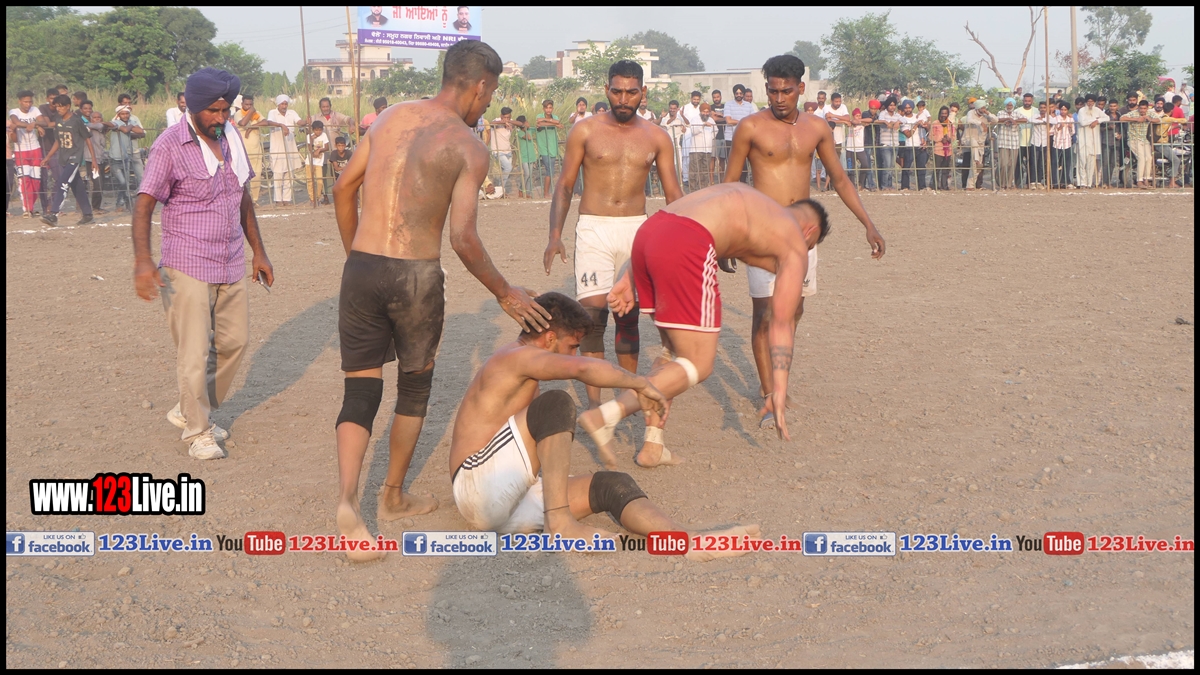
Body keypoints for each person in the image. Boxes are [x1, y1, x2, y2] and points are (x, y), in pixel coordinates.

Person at [330, 40, 551, 560]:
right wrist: (505, 292)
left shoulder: (390, 118)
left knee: (359, 391)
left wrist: (356, 257)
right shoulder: (468, 147)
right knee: (413, 387)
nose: (487, 104)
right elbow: (463, 238)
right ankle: (392, 496)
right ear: (480, 86)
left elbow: (342, 190)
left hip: (361, 267)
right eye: (489, 95)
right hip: (415, 276)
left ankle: (347, 502)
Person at [450, 290, 759, 554]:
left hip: (510, 500)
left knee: (612, 485)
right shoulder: (513, 357)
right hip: (477, 486)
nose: (574, 354)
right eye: (572, 346)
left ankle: (686, 542)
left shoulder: (525, 362)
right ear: (549, 338)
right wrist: (641, 384)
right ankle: (560, 525)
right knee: (556, 404)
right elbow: (583, 369)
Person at [581, 183, 829, 466]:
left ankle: (653, 445)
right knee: (698, 363)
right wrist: (778, 391)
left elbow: (673, 221)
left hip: (650, 234)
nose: (805, 252)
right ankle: (606, 415)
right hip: (688, 241)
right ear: (810, 232)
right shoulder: (795, 241)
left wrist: (630, 276)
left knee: (672, 350)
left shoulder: (755, 205)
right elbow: (781, 323)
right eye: (810, 246)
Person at [721, 55, 885, 433]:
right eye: (773, 91)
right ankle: (769, 395)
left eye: (787, 91)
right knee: (765, 315)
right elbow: (729, 184)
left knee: (794, 311)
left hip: (803, 236)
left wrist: (868, 224)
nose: (779, 98)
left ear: (801, 88)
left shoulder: (817, 127)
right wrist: (726, 240)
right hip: (762, 235)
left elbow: (839, 178)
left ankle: (778, 382)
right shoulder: (750, 127)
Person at [132, 67, 273, 461]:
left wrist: (259, 251)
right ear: (193, 107)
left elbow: (243, 197)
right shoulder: (169, 146)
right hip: (186, 263)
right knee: (193, 353)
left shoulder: (231, 138)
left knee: (234, 343)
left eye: (226, 110)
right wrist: (143, 260)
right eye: (213, 111)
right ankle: (198, 432)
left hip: (229, 260)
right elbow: (144, 204)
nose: (221, 117)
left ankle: (189, 409)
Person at [543, 59, 683, 424]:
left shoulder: (656, 137)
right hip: (594, 228)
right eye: (617, 91)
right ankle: (595, 406)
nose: (623, 99)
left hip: (637, 230)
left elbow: (674, 195)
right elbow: (565, 185)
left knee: (628, 317)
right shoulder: (585, 131)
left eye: (631, 92)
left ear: (643, 92)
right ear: (607, 90)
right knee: (591, 319)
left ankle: (625, 398)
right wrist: (555, 235)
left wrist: (688, 240)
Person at [40, 94, 97, 226]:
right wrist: (48, 157)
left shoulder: (76, 121)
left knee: (63, 182)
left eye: (61, 107)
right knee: (77, 186)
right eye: (57, 107)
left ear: (68, 106)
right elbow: (58, 141)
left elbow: (87, 139)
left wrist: (93, 159)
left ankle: (54, 214)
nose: (58, 109)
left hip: (74, 157)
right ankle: (88, 214)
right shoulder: (58, 120)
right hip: (64, 157)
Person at [9, 90, 45, 218]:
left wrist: (35, 123)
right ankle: (26, 209)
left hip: (35, 149)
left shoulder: (35, 110)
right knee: (24, 179)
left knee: (36, 180)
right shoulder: (14, 112)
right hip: (21, 150)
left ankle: (32, 207)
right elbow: (16, 122)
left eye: (30, 101)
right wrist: (33, 125)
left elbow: (44, 122)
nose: (28, 104)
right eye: (25, 102)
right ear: (20, 101)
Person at [107, 105, 145, 211]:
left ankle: (122, 203)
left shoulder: (131, 122)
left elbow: (141, 131)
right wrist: (130, 127)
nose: (125, 115)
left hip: (125, 156)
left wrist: (130, 126)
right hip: (115, 158)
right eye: (122, 114)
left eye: (127, 113)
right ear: (118, 114)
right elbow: (123, 129)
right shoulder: (116, 122)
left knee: (125, 182)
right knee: (123, 182)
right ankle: (125, 201)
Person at [266, 94, 302, 205]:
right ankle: (278, 199)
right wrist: (281, 125)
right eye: (282, 104)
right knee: (278, 174)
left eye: (286, 104)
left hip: (290, 147)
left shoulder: (292, 113)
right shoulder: (273, 113)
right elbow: (269, 122)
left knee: (289, 174)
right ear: (278, 104)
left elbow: (299, 121)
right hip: (277, 147)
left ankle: (287, 199)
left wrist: (306, 121)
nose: (284, 106)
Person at [234, 95, 267, 203]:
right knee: (242, 176)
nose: (248, 106)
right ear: (242, 104)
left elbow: (265, 122)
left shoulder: (256, 114)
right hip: (243, 150)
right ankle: (241, 200)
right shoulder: (238, 114)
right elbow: (243, 123)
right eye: (246, 104)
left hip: (256, 149)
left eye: (251, 105)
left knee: (257, 175)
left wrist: (251, 127)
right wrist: (250, 112)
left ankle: (255, 200)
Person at [722, 85, 757, 183]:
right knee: (732, 164)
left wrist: (740, 123)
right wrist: (743, 122)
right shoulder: (728, 104)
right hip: (730, 137)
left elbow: (753, 119)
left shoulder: (748, 105)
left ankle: (743, 184)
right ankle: (732, 186)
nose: (739, 95)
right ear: (734, 94)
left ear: (743, 94)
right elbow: (728, 120)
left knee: (744, 165)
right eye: (737, 93)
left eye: (741, 93)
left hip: (745, 138)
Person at [80, 102, 108, 213]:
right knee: (97, 183)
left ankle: (97, 206)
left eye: (99, 117)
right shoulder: (88, 128)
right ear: (91, 119)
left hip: (101, 159)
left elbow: (103, 125)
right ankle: (95, 207)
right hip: (91, 160)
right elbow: (95, 125)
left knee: (101, 183)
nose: (97, 119)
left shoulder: (101, 128)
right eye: (94, 117)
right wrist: (91, 125)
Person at [964, 100, 997, 190]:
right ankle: (977, 160)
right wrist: (980, 123)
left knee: (976, 166)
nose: (983, 110)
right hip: (968, 139)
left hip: (980, 142)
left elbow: (996, 120)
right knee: (974, 143)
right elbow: (969, 120)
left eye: (984, 108)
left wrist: (988, 113)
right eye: (982, 108)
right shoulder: (971, 113)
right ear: (977, 108)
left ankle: (970, 186)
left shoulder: (986, 116)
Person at [535, 99, 563, 199]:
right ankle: (546, 192)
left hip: (552, 146)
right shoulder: (539, 116)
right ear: (543, 108)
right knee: (549, 169)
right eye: (546, 108)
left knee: (551, 169)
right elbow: (540, 124)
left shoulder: (555, 117)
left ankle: (548, 191)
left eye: (550, 108)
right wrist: (553, 123)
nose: (548, 110)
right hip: (543, 146)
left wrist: (546, 121)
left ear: (552, 108)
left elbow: (557, 121)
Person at [1076, 94, 1104, 188]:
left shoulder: (1097, 110)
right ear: (1086, 102)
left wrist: (1097, 121)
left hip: (1093, 140)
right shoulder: (1082, 110)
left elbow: (1106, 118)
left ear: (1094, 102)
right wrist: (1094, 120)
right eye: (1088, 101)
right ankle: (1081, 183)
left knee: (1091, 163)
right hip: (1083, 140)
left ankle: (1088, 183)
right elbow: (1082, 122)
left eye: (1092, 101)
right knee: (1081, 162)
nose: (1090, 103)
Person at [874, 97, 902, 190]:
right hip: (885, 143)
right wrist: (886, 122)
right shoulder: (883, 113)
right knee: (886, 165)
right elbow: (880, 120)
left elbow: (905, 120)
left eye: (894, 105)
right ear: (887, 106)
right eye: (890, 105)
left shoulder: (897, 115)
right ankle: (884, 185)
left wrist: (898, 122)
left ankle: (889, 185)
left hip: (895, 143)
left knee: (892, 166)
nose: (892, 107)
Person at [995, 98, 1023, 190]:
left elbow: (1025, 119)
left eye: (1011, 105)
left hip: (1014, 142)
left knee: (1012, 165)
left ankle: (1008, 184)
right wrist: (1008, 119)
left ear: (1013, 105)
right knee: (1003, 164)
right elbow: (997, 119)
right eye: (1008, 105)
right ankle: (1001, 183)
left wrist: (1014, 121)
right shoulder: (1001, 112)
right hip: (1003, 142)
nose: (1009, 107)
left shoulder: (1017, 113)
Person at [688, 103, 717, 191]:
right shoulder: (695, 119)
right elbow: (693, 131)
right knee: (694, 171)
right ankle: (693, 190)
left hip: (707, 149)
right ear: (700, 111)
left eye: (707, 112)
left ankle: (703, 190)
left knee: (705, 172)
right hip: (696, 149)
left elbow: (716, 130)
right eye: (704, 111)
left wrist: (710, 138)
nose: (705, 113)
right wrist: (703, 125)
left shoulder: (711, 120)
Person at [489, 106, 515, 197]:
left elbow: (521, 123)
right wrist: (503, 122)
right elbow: (491, 123)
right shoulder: (496, 120)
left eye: (508, 117)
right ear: (501, 116)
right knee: (508, 167)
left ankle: (500, 190)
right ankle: (501, 189)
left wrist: (510, 122)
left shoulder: (511, 121)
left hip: (508, 150)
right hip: (498, 150)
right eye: (505, 117)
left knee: (506, 171)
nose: (507, 119)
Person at [1049, 101, 1075, 189]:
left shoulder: (1070, 119)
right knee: (1055, 163)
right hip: (1057, 143)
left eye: (1065, 110)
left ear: (1067, 110)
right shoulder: (1056, 119)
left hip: (1067, 143)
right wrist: (1059, 128)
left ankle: (1065, 181)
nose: (1063, 111)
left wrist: (1070, 128)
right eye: (1062, 109)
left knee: (1067, 163)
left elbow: (1072, 132)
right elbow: (1051, 131)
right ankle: (1054, 182)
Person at [930, 106, 956, 190]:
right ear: (939, 114)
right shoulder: (935, 123)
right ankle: (934, 186)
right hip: (938, 149)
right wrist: (941, 139)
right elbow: (931, 136)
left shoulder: (950, 124)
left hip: (948, 150)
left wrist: (949, 139)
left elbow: (954, 136)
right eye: (942, 113)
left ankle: (944, 186)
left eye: (945, 113)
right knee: (936, 169)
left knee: (945, 169)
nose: (944, 115)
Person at [1015, 93, 1037, 187]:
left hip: (1032, 141)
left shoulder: (1036, 111)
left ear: (1032, 101)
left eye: (1029, 101)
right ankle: (1016, 183)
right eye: (1025, 101)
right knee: (1018, 164)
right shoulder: (1017, 111)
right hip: (1019, 142)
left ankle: (1029, 183)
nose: (1027, 102)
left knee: (1031, 164)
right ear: (1022, 101)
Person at [513, 115, 538, 198]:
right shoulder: (519, 132)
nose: (528, 123)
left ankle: (528, 193)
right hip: (524, 156)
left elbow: (537, 128)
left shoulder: (530, 129)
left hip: (531, 155)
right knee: (526, 174)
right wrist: (525, 129)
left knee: (530, 175)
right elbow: (528, 137)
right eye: (526, 122)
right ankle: (521, 189)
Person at [306, 119, 330, 204]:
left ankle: (318, 197)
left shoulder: (324, 135)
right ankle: (312, 198)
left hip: (319, 162)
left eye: (320, 130)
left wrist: (319, 150)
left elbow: (327, 147)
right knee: (310, 180)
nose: (318, 132)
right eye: (316, 130)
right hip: (310, 162)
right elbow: (309, 148)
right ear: (313, 130)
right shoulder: (309, 136)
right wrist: (311, 140)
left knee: (319, 181)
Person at [1029, 100, 1050, 188]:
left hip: (1044, 143)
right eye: (1041, 108)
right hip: (1035, 142)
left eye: (1044, 107)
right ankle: (1032, 182)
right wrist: (1042, 121)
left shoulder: (1048, 117)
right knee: (1034, 162)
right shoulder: (1035, 116)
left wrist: (1043, 120)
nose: (1043, 109)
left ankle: (1039, 181)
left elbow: (1054, 121)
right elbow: (1030, 120)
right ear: (1039, 108)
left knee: (1041, 163)